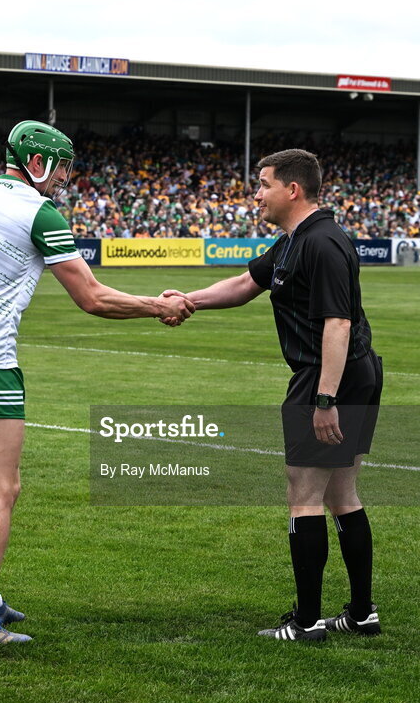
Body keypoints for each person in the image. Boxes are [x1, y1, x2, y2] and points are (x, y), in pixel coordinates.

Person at [0, 120, 194, 646]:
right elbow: (93, 298)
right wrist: (158, 307)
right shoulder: (40, 212)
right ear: (37, 164)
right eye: (61, 168)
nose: (64, 179)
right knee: (2, 488)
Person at [161, 149, 383, 643]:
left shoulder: (322, 243)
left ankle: (305, 623)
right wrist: (186, 300)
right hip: (352, 373)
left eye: (262, 184)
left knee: (303, 495)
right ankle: (362, 613)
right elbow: (244, 284)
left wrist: (324, 400)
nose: (256, 194)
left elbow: (338, 324)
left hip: (330, 377)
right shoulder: (293, 241)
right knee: (343, 494)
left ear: (292, 190)